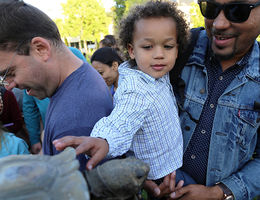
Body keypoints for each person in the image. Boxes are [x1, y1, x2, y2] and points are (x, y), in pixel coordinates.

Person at [54, 0, 196, 195]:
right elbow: (121, 120)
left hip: (172, 158)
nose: (159, 54)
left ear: (177, 48)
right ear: (131, 50)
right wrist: (104, 140)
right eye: (147, 47)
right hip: (160, 175)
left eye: (168, 46)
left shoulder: (156, 72)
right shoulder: (135, 89)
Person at [143, 0, 260, 199]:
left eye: (237, 11)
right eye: (211, 8)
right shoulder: (173, 50)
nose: (219, 24)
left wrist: (220, 193)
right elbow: (132, 112)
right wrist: (143, 174)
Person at [0, 0, 113, 171]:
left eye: (10, 73)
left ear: (40, 49)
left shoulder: (73, 121)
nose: (8, 86)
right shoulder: (74, 81)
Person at [23, 46, 88, 154]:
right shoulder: (29, 63)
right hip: (53, 136)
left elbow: (87, 85)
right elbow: (29, 107)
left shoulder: (72, 54)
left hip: (82, 131)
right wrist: (34, 139)